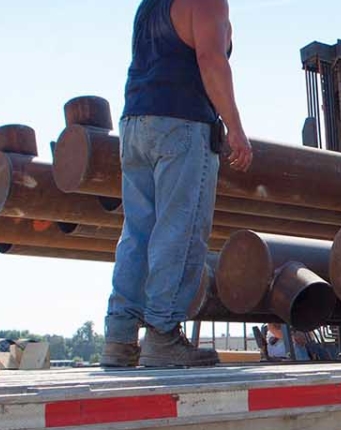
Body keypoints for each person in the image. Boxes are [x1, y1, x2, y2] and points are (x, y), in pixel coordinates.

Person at [102, 0, 255, 368]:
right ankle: (162, 335)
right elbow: (210, 58)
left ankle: (120, 339)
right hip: (181, 123)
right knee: (180, 230)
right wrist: (235, 128)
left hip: (135, 122)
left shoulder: (149, 5)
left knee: (137, 233)